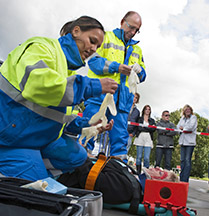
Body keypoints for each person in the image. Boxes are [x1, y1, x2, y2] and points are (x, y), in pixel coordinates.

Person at [0, 16, 118, 181]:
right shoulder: (41, 47)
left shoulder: (68, 71)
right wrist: (93, 86)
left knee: (77, 156)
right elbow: (40, 85)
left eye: (97, 46)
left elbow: (61, 120)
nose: (93, 49)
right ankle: (17, 169)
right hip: (11, 138)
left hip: (34, 138)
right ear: (76, 31)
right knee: (36, 191)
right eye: (92, 41)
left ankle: (30, 167)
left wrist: (91, 124)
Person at [81, 11, 147, 161]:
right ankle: (80, 163)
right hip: (100, 95)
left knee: (120, 141)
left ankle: (118, 169)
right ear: (122, 21)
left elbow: (143, 76)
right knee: (90, 130)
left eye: (137, 30)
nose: (133, 32)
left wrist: (139, 71)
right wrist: (117, 67)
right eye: (131, 27)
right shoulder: (106, 37)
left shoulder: (137, 49)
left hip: (122, 101)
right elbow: (93, 62)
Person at [177, 104, 197, 182]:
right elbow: (177, 127)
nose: (187, 111)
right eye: (186, 110)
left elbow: (191, 127)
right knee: (182, 160)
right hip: (182, 142)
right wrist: (182, 129)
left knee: (187, 161)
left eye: (189, 109)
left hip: (190, 143)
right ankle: (181, 178)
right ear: (184, 111)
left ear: (191, 111)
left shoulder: (194, 118)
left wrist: (183, 128)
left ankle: (185, 180)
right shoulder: (182, 118)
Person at [133, 105, 156, 174]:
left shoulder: (152, 120)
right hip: (140, 137)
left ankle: (146, 173)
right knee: (139, 157)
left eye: (149, 109)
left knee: (146, 158)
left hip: (148, 138)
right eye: (146, 109)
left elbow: (153, 129)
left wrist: (144, 127)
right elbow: (139, 128)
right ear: (144, 110)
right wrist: (148, 128)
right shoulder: (139, 119)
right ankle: (138, 172)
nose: (147, 110)